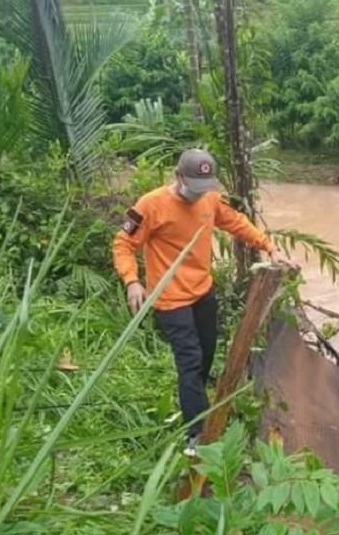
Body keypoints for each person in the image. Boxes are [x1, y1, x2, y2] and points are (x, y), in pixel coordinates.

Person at [112, 148, 297, 456]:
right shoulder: (151, 205)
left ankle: (192, 401)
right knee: (191, 360)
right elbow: (123, 243)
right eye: (193, 188)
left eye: (204, 188)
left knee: (206, 356)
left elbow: (235, 222)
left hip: (202, 292)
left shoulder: (209, 199)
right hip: (170, 300)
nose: (198, 196)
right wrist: (132, 280)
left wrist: (269, 246)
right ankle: (196, 435)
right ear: (178, 176)